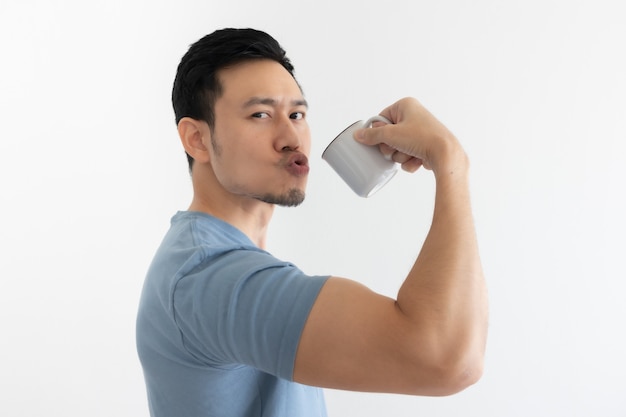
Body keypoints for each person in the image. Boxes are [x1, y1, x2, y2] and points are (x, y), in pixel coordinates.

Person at [136, 28, 488, 417]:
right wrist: (450, 161)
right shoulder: (211, 278)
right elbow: (449, 359)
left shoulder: (208, 261)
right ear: (197, 139)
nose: (291, 137)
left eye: (297, 114)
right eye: (261, 114)